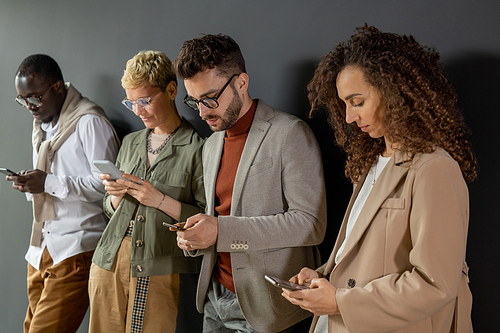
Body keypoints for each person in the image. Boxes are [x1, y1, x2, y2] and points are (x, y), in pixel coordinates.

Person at [281, 25, 478, 333]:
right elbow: (360, 256)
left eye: (357, 102)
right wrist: (321, 278)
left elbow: (435, 283)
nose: (348, 117)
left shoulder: (433, 169)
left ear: (394, 93)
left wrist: (340, 302)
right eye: (344, 104)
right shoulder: (372, 162)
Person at [171, 34, 327, 333]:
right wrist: (195, 238)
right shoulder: (210, 145)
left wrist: (221, 231)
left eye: (210, 98)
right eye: (194, 101)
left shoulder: (289, 133)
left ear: (241, 82)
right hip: (214, 299)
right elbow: (216, 215)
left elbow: (311, 224)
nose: (202, 111)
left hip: (265, 306)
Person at [88, 50, 206, 333]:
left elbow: (204, 219)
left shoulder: (198, 148)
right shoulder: (129, 142)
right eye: (131, 103)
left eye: (145, 100)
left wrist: (159, 200)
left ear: (171, 90)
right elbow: (109, 208)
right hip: (108, 260)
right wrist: (115, 194)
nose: (138, 110)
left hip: (158, 268)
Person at [8, 54, 119, 333]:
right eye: (23, 100)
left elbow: (108, 185)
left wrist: (47, 183)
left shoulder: (90, 121)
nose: (30, 107)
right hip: (40, 248)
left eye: (35, 98)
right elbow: (49, 180)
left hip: (76, 249)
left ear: (57, 87)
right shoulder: (43, 126)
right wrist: (30, 184)